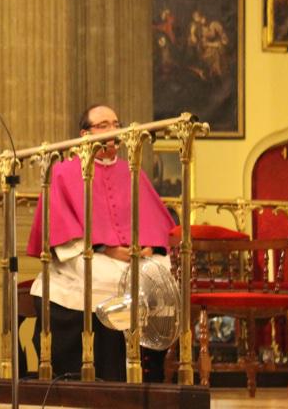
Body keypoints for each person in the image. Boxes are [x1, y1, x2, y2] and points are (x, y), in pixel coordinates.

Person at [26, 104, 176, 382]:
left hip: (132, 258)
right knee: (98, 277)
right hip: (89, 255)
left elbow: (155, 223)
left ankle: (141, 369)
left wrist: (148, 248)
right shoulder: (63, 172)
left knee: (157, 275)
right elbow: (61, 227)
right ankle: (96, 372)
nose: (113, 131)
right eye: (103, 125)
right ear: (85, 134)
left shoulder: (132, 171)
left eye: (116, 124)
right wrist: (105, 248)